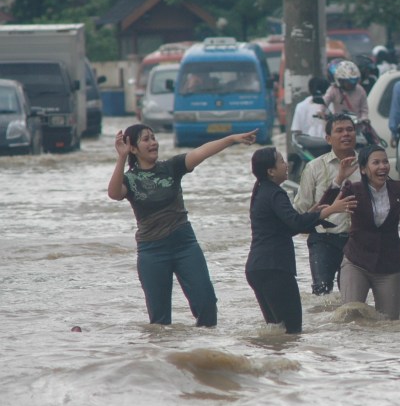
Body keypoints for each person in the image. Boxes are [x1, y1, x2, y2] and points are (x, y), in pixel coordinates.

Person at [107, 124, 257, 326]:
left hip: (185, 245)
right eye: (146, 139)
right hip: (152, 251)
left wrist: (231, 139)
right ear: (133, 148)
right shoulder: (130, 179)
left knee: (207, 304)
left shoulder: (172, 167)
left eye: (153, 137)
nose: (153, 143)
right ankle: (167, 348)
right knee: (160, 322)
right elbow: (114, 193)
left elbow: (201, 152)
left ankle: (203, 345)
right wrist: (121, 158)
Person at [245, 147, 356, 333]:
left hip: (258, 268)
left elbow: (292, 226)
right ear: (271, 171)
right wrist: (331, 210)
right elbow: (296, 222)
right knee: (292, 332)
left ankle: (271, 353)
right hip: (275, 268)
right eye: (281, 161)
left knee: (277, 331)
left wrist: (336, 183)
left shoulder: (262, 191)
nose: (286, 165)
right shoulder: (275, 193)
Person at [338, 145, 400, 320]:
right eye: (376, 163)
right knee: (350, 318)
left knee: (390, 324)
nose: (382, 166)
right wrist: (339, 178)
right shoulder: (353, 190)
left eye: (385, 162)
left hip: (389, 265)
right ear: (363, 169)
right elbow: (325, 207)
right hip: (356, 262)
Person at [294, 113, 362, 295]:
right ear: (328, 138)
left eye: (349, 130)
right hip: (323, 239)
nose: (345, 134)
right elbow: (301, 209)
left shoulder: (367, 165)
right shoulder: (314, 167)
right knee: (322, 294)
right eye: (339, 131)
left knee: (353, 296)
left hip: (358, 239)